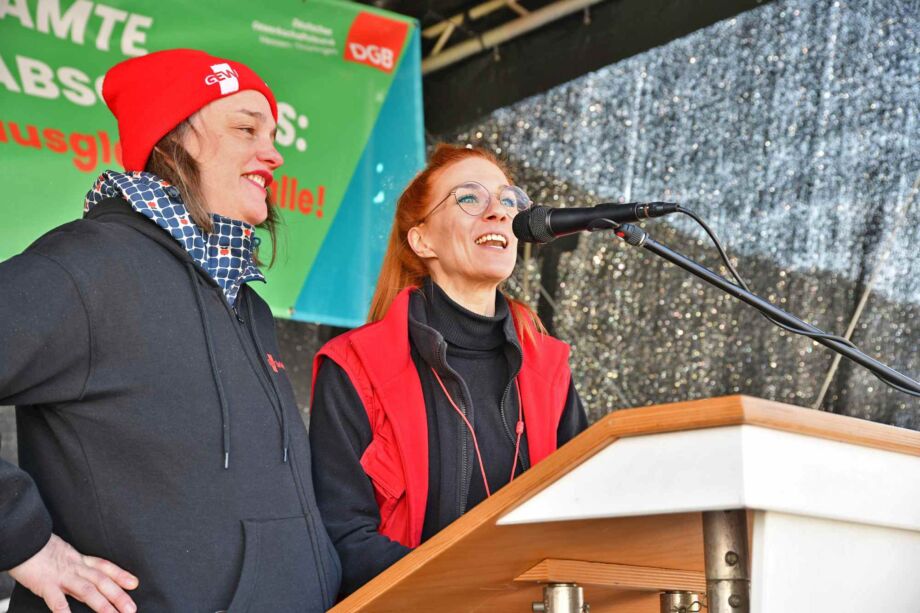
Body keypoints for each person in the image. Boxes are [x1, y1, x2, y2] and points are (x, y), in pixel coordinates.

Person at [0, 49, 340, 612]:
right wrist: (23, 542)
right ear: (173, 140)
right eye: (246, 128)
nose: (273, 154)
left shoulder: (245, 302)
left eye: (273, 133)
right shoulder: (88, 268)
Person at [309, 144, 588, 597]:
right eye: (470, 198)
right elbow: (340, 535)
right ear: (422, 241)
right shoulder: (355, 365)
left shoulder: (548, 366)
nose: (499, 212)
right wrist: (469, 591)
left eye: (509, 200)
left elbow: (584, 515)